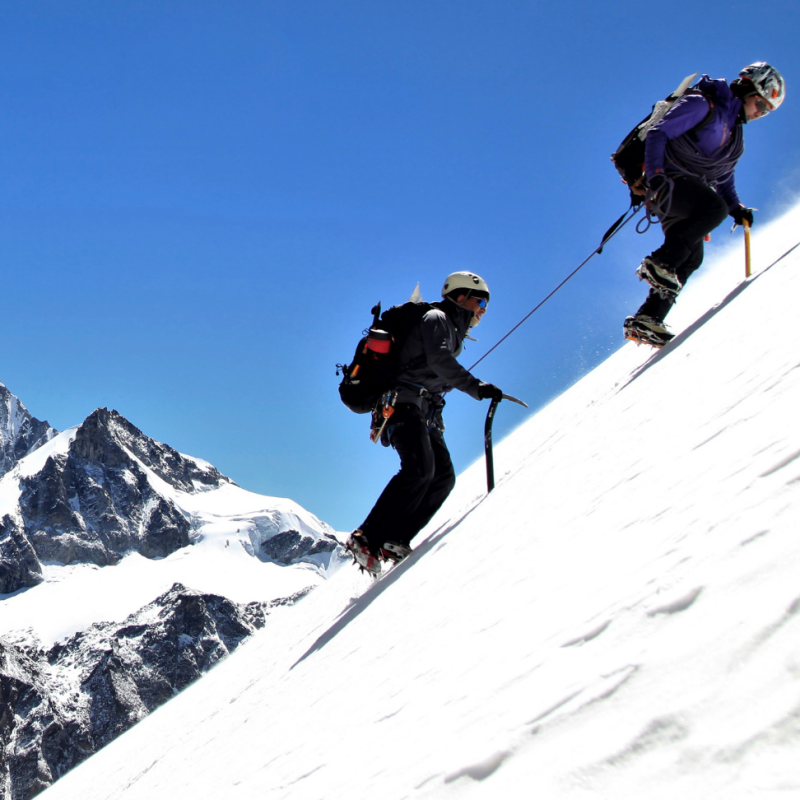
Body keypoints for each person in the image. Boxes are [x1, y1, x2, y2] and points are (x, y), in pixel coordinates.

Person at [346, 271, 503, 576]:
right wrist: (476, 386)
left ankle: (395, 538)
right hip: (402, 402)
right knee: (419, 470)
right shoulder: (436, 318)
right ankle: (366, 537)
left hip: (424, 409)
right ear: (460, 297)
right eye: (480, 300)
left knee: (442, 477)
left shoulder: (452, 328)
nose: (483, 308)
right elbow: (439, 362)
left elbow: (434, 374)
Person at [624, 62, 786, 348]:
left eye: (767, 112)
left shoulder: (734, 135)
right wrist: (656, 173)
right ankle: (660, 261)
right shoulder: (703, 104)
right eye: (761, 104)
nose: (760, 113)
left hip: (681, 190)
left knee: (691, 257)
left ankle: (647, 318)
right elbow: (659, 133)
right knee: (711, 211)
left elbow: (723, 176)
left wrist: (736, 207)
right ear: (748, 88)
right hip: (668, 180)